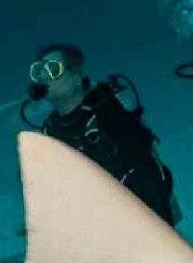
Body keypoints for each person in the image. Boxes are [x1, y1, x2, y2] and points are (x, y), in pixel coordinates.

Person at [29, 44, 180, 225]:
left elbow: (149, 174)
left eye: (53, 69)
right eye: (38, 71)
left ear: (77, 77)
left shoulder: (110, 111)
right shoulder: (50, 130)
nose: (44, 78)